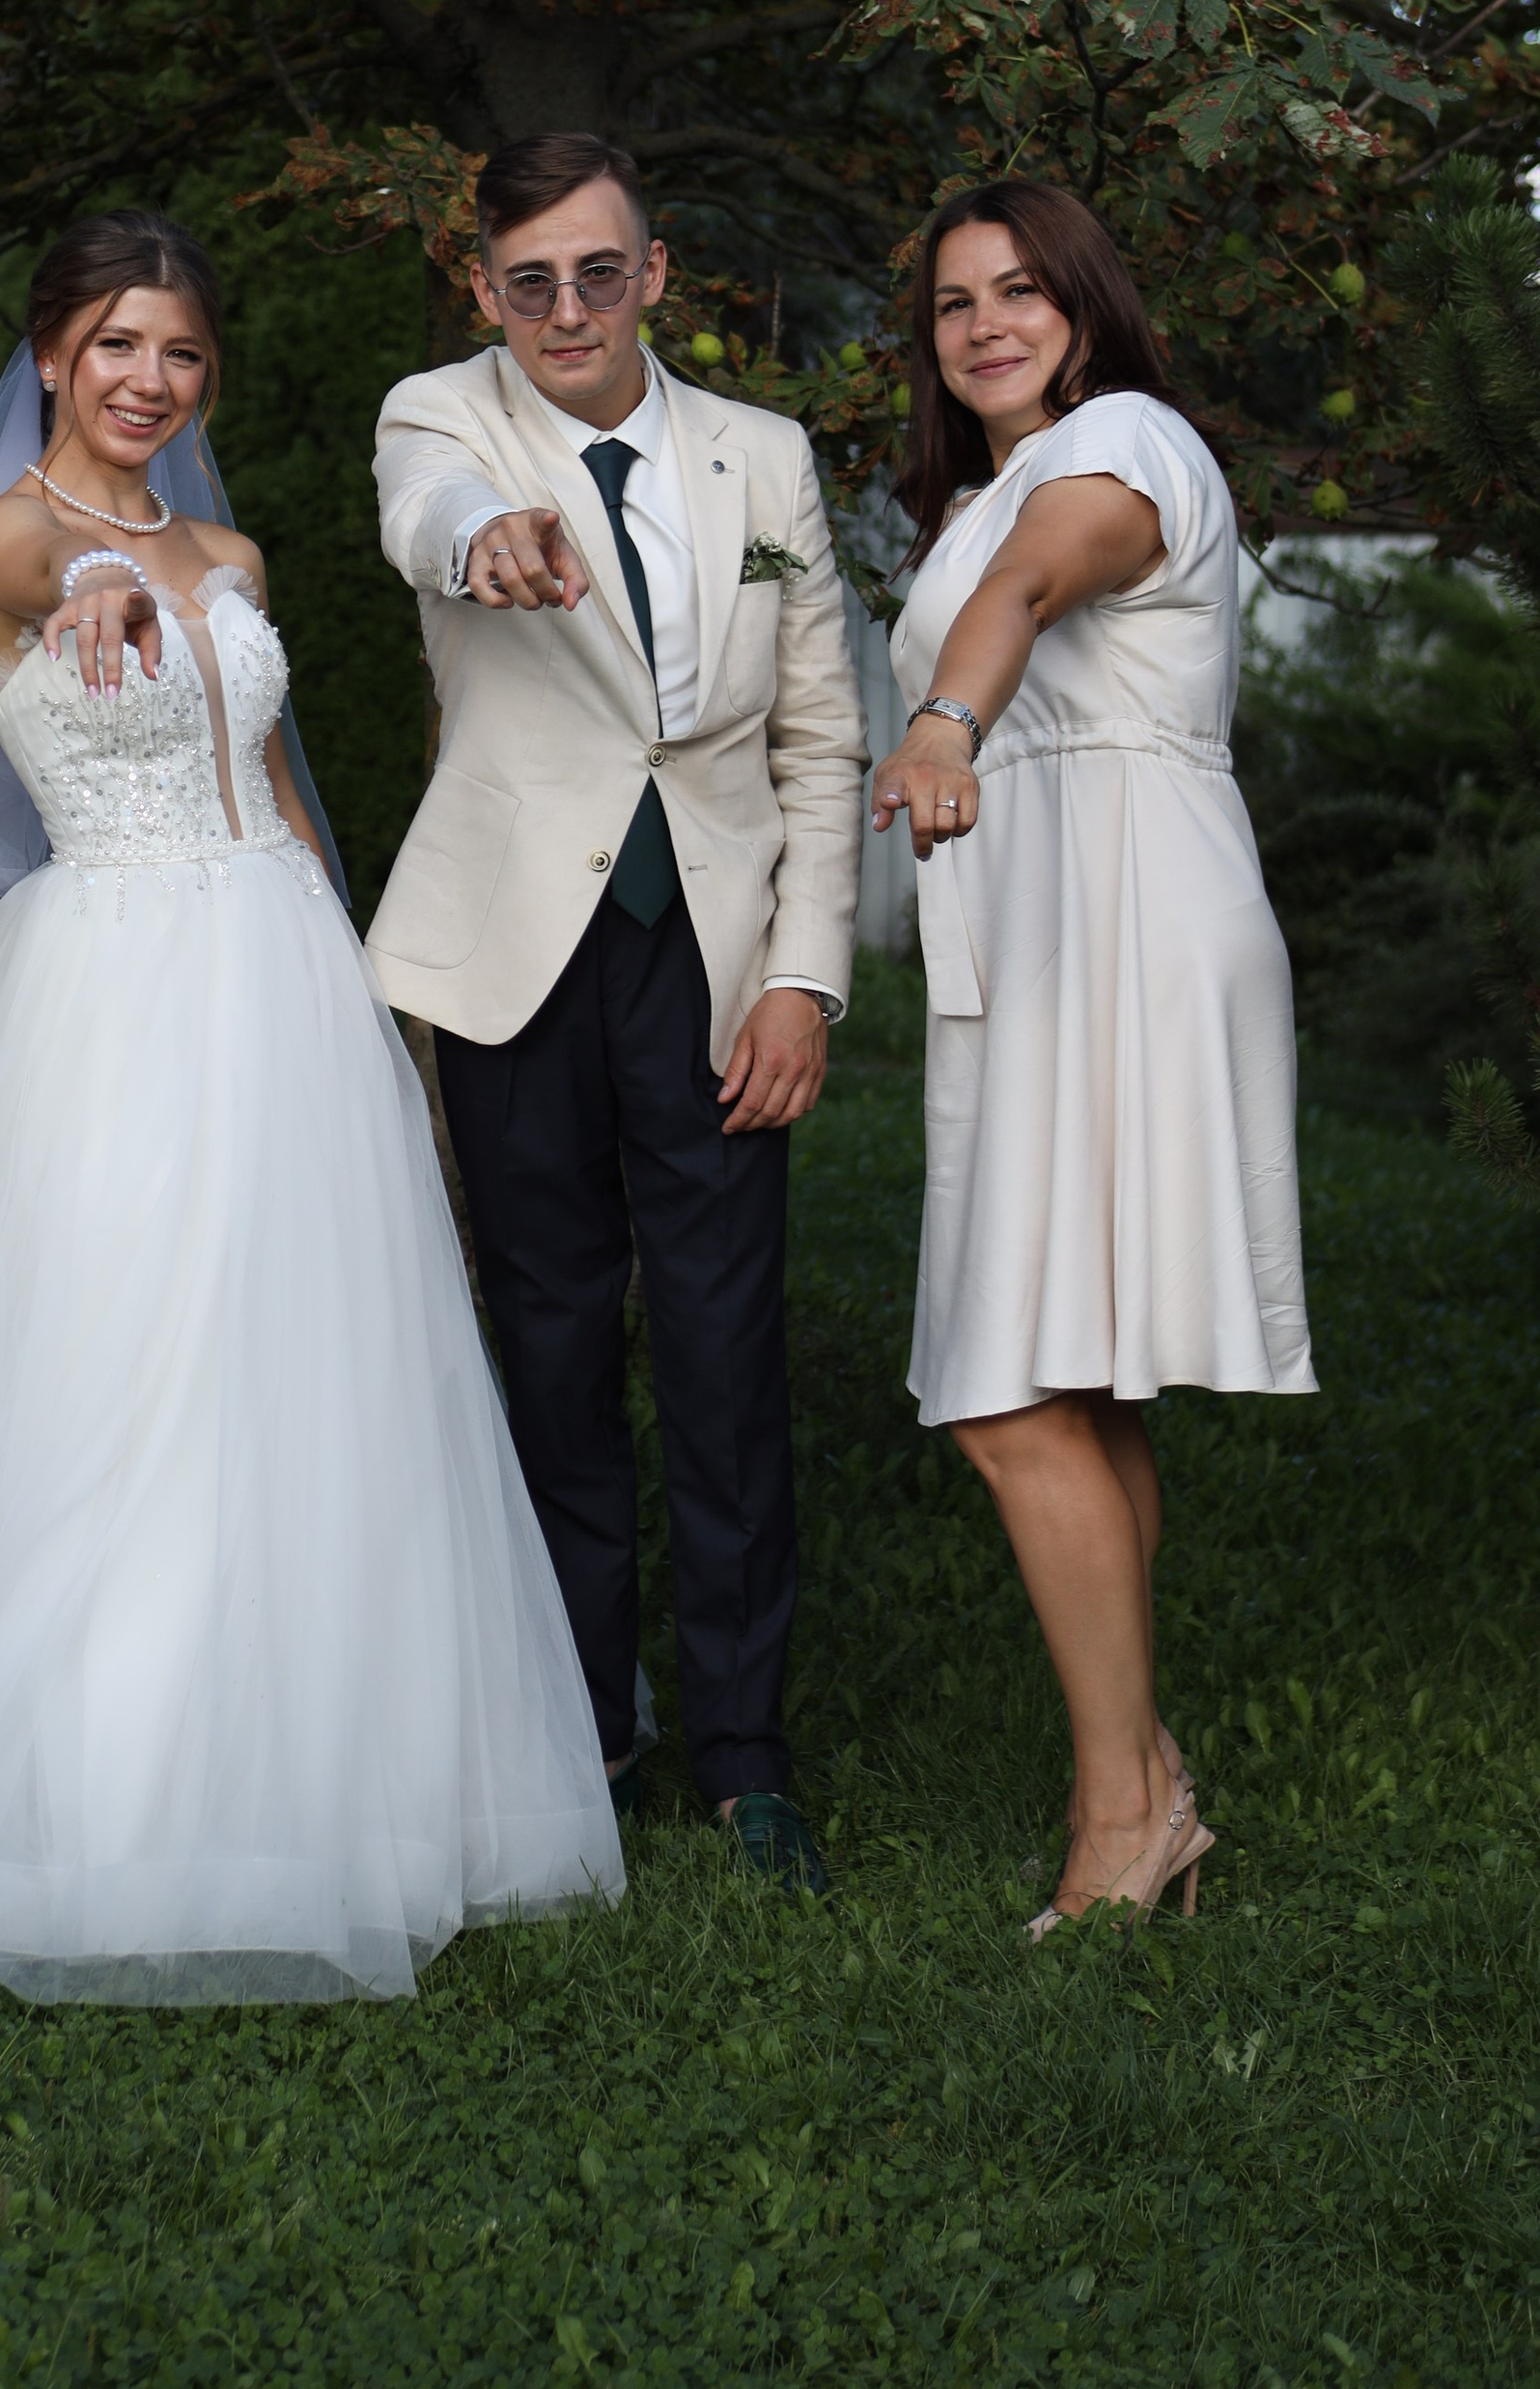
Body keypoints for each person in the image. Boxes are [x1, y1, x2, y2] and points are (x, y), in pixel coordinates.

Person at [0, 211, 621, 1999]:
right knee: (121, 1363)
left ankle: (325, 1764)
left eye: (182, 354)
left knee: (309, 1372)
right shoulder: (8, 534)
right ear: (52, 353)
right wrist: (97, 589)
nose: (149, 380)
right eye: (117, 345)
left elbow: (279, 789)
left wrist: (367, 1017)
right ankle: (105, 1773)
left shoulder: (237, 548)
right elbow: (54, 582)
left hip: (277, 975)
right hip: (114, 988)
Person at [369, 135, 868, 1885]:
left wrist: (804, 976)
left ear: (655, 275)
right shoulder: (441, 420)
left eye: (598, 273)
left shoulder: (767, 460)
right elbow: (429, 524)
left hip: (717, 964)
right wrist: (489, 538)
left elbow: (817, 734)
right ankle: (577, 1726)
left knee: (729, 1359)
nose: (565, 309)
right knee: (551, 1344)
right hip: (515, 959)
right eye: (529, 282)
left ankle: (744, 1755)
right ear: (483, 289)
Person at [871, 180, 1313, 1939]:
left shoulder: (1126, 445)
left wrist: (938, 719)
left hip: (1127, 918)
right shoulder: (980, 496)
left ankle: (1129, 1811)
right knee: (1080, 1375)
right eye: (953, 303)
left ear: (1086, 305)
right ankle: (1135, 1792)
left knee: (1002, 1388)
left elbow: (1046, 583)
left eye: (1021, 290)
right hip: (1046, 927)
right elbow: (1009, 559)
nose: (984, 324)